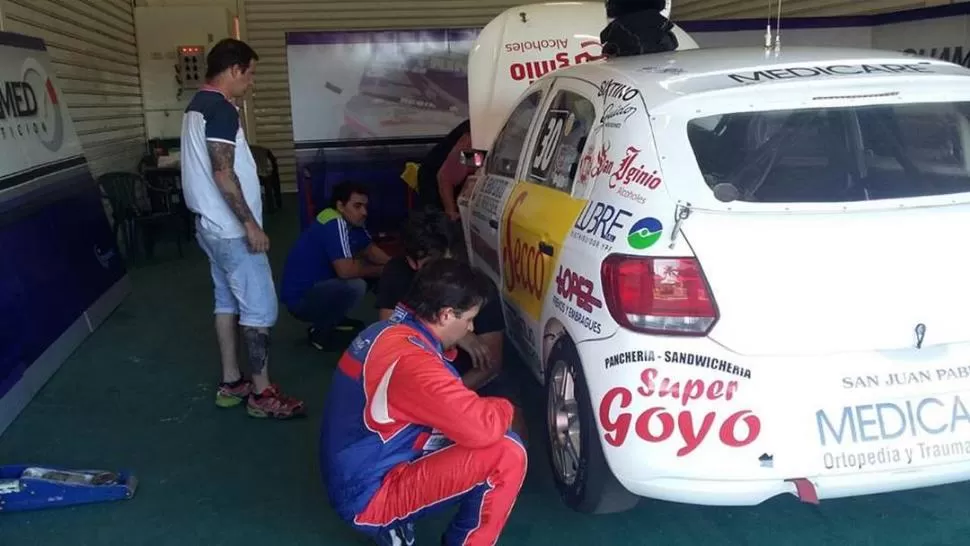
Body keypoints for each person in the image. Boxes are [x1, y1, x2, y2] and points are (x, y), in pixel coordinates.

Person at [320, 259, 528, 546]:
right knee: (506, 453)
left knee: (461, 425)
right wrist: (508, 408)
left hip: (359, 467)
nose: (470, 327)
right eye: (468, 319)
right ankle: (390, 521)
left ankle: (394, 525)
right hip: (367, 497)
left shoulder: (388, 331)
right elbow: (481, 427)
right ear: (445, 315)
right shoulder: (414, 362)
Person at [180, 38, 305, 419]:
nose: (251, 83)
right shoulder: (220, 110)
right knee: (258, 310)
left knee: (226, 301)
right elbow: (223, 172)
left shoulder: (195, 107)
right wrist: (250, 223)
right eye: (249, 74)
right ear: (234, 70)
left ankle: (232, 382)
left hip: (210, 228)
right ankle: (262, 393)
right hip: (232, 232)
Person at [375, 208, 514, 399]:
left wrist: (446, 399)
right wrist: (456, 333)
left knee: (511, 420)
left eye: (446, 260)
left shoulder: (478, 286)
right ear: (411, 262)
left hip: (462, 384)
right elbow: (388, 340)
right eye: (432, 264)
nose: (443, 272)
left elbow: (491, 364)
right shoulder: (397, 274)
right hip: (416, 379)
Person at [279, 181, 391, 350]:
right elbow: (345, 271)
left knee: (369, 272)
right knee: (356, 284)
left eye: (365, 207)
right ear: (340, 205)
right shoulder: (335, 223)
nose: (364, 212)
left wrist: (395, 265)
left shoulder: (352, 222)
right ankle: (321, 333)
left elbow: (370, 250)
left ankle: (332, 319)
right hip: (300, 300)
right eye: (358, 206)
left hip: (318, 288)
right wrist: (383, 270)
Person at [416, 119, 474, 221]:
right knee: (440, 223)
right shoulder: (473, 137)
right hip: (434, 177)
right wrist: (451, 212)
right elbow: (445, 177)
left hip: (449, 174)